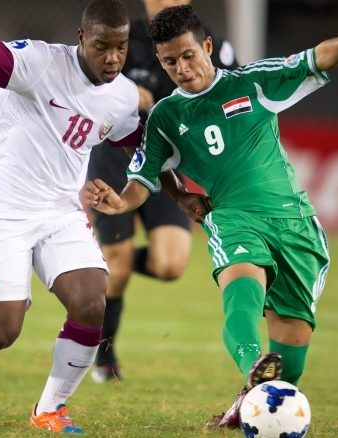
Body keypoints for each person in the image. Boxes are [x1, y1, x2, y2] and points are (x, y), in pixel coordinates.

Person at [0, 1, 204, 433]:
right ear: (82, 38)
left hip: (60, 208)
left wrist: (181, 196)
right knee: (4, 330)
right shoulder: (41, 62)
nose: (114, 58)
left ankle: (50, 410)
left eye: (121, 47)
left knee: (91, 302)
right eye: (103, 46)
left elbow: (144, 151)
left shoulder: (120, 96)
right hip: (1, 207)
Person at [84, 3, 338, 429]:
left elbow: (320, 56)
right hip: (232, 217)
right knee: (241, 288)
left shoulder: (254, 81)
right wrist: (119, 202)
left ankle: (248, 400)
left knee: (291, 363)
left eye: (188, 56)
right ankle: (251, 363)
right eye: (170, 62)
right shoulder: (167, 116)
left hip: (295, 224)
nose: (181, 69)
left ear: (207, 46)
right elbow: (145, 177)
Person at [87, 0, 238, 383]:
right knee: (118, 268)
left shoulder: (212, 46)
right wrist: (120, 91)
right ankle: (104, 355)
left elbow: (230, 95)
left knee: (170, 265)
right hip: (116, 158)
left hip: (168, 163)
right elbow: (84, 81)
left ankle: (107, 262)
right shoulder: (123, 37)